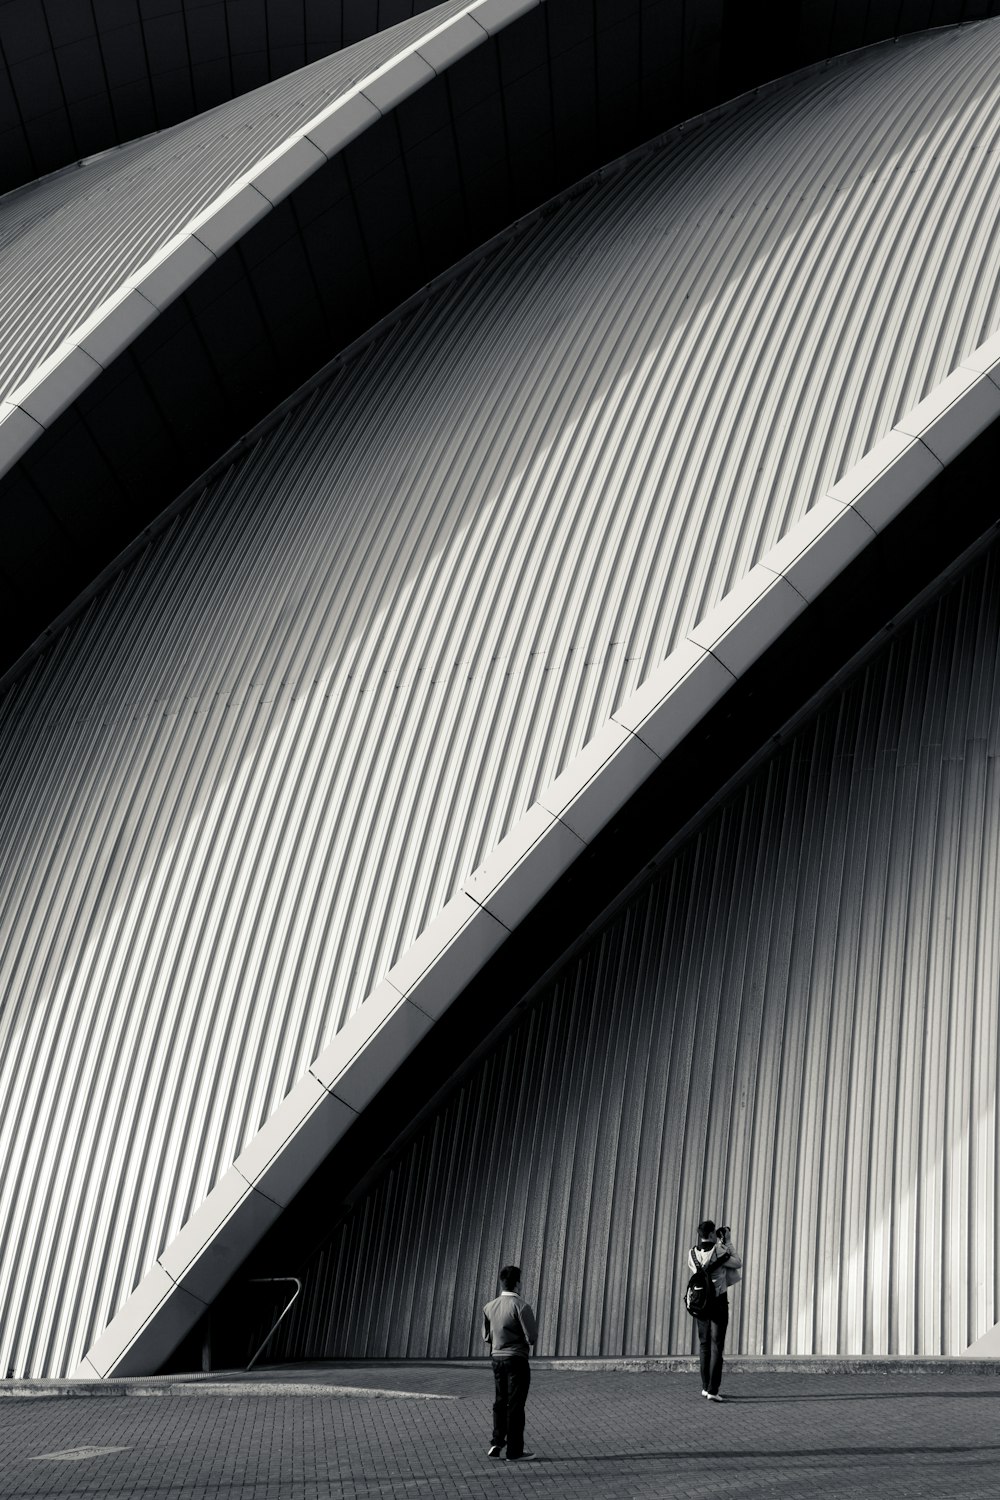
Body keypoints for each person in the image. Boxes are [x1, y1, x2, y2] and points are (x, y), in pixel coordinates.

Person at [483, 1264, 538, 1461]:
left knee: (500, 1401)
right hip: (516, 1359)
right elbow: (531, 1337)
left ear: (501, 1282)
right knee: (515, 1405)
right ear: (517, 1283)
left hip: (496, 1358)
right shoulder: (521, 1306)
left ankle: (497, 1442)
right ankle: (514, 1451)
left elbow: (486, 1337)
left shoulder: (489, 1307)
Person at [688, 1219, 742, 1401]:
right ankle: (713, 1390)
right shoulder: (720, 1251)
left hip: (700, 1303)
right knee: (716, 1346)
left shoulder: (692, 1253)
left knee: (704, 1345)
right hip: (718, 1302)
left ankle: (705, 1387)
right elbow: (737, 1263)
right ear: (712, 1234)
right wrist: (727, 1241)